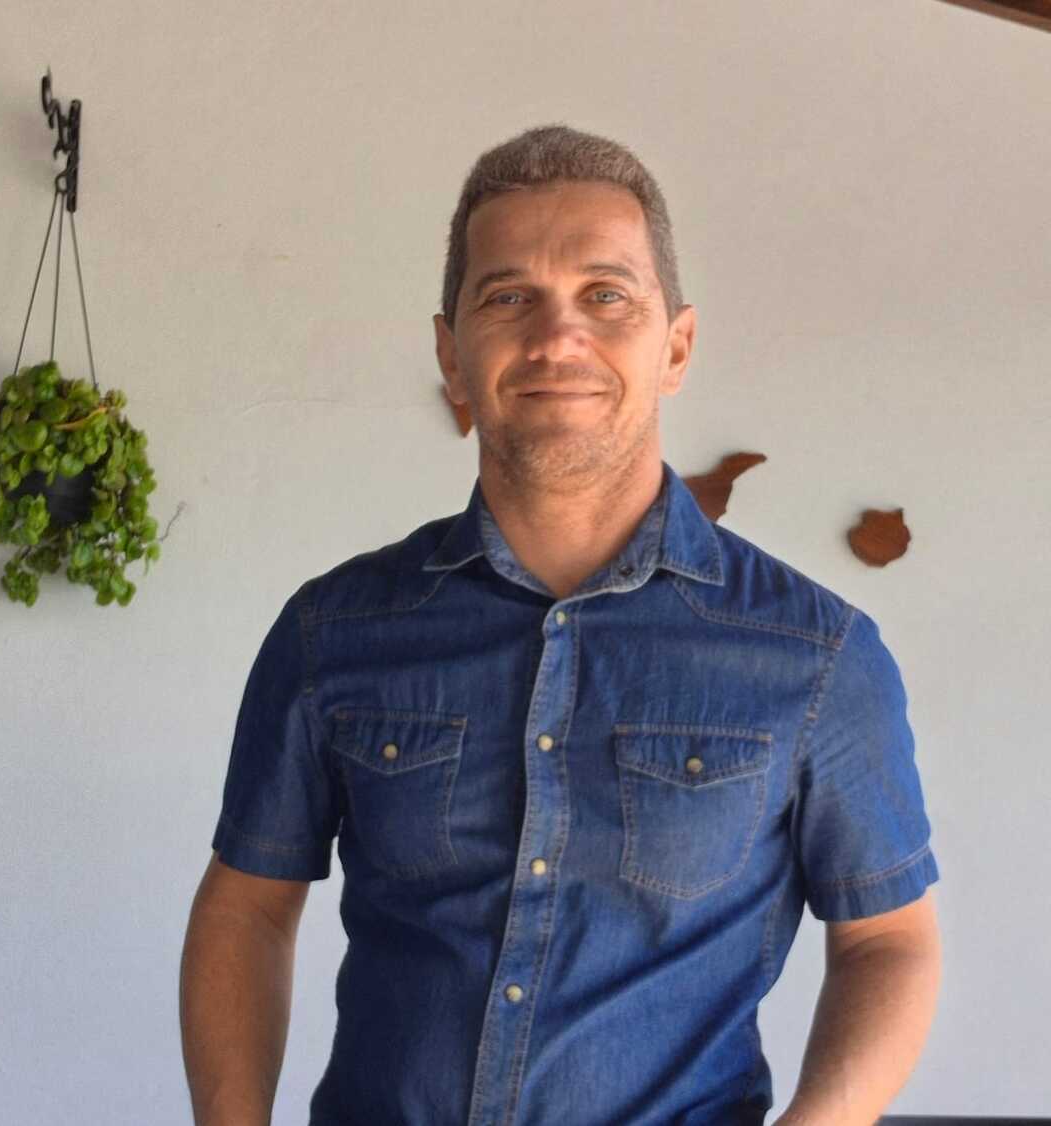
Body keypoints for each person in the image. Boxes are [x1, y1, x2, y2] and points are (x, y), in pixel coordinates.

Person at [180, 123, 943, 1126]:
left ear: (675, 346)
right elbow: (247, 906)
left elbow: (888, 941)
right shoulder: (333, 632)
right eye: (508, 298)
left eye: (605, 295)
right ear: (451, 355)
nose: (555, 339)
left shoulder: (817, 656)